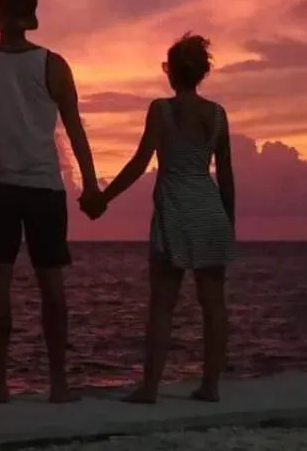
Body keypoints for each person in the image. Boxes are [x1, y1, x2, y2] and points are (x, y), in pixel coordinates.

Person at [0, 0, 102, 404]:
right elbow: (74, 127)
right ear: (32, 19)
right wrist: (90, 183)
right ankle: (58, 384)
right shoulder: (54, 65)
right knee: (51, 285)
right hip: (43, 188)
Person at [84, 32, 235, 403]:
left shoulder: (161, 110)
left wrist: (103, 198)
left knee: (163, 303)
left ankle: (150, 387)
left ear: (171, 73)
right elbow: (227, 175)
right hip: (209, 207)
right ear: (202, 73)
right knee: (213, 303)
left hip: (176, 207)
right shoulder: (217, 115)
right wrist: (229, 223)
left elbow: (139, 163)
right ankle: (211, 386)